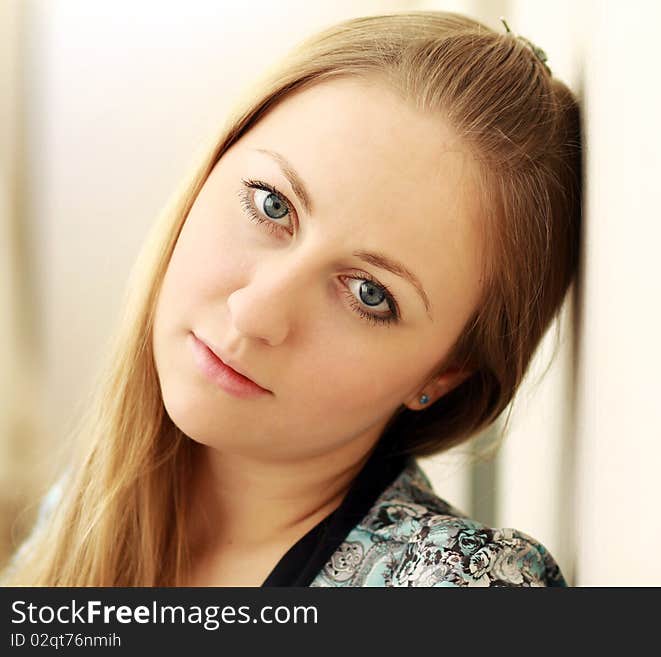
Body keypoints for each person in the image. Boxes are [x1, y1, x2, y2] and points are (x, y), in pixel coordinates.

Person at [1, 10, 582, 587]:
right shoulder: (87, 506)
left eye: (369, 294)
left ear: (446, 374)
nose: (255, 314)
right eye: (272, 205)